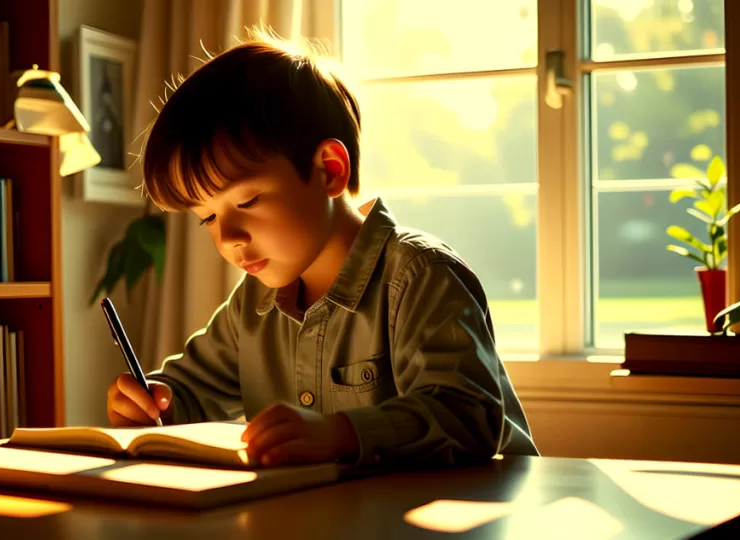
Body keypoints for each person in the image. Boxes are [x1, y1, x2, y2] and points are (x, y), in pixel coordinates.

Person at [106, 31, 538, 469]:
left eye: (247, 202)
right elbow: (190, 390)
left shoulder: (420, 275)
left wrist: (341, 435)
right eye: (209, 218)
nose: (228, 237)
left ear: (329, 170)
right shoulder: (253, 302)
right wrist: (153, 401)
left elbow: (468, 416)